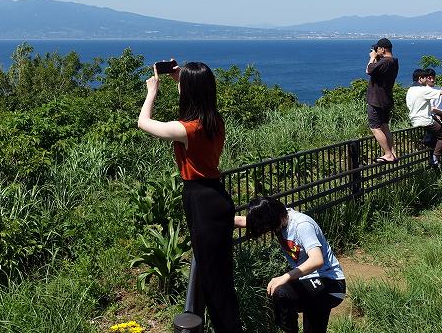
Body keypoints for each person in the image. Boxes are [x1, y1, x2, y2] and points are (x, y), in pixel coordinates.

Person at [137, 61, 241, 333]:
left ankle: (222, 327)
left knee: (213, 279)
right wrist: (180, 77)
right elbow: (195, 93)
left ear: (190, 92)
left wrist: (152, 91)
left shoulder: (186, 129)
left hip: (200, 200)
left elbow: (143, 122)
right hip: (216, 194)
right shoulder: (214, 121)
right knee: (219, 275)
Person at [234, 196, 346, 333]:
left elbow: (317, 260)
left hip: (331, 284)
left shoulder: (301, 225)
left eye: (266, 226)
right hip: (309, 283)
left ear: (273, 218)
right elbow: (242, 221)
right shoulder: (278, 218)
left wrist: (286, 276)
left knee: (282, 292)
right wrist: (207, 217)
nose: (266, 230)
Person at [365, 38, 400, 163]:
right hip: (386, 99)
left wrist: (372, 57)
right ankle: (392, 153)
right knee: (385, 126)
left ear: (382, 49)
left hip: (376, 100)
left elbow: (368, 70)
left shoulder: (385, 62)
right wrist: (377, 57)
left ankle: (388, 154)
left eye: (377, 49)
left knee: (375, 127)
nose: (375, 51)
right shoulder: (394, 61)